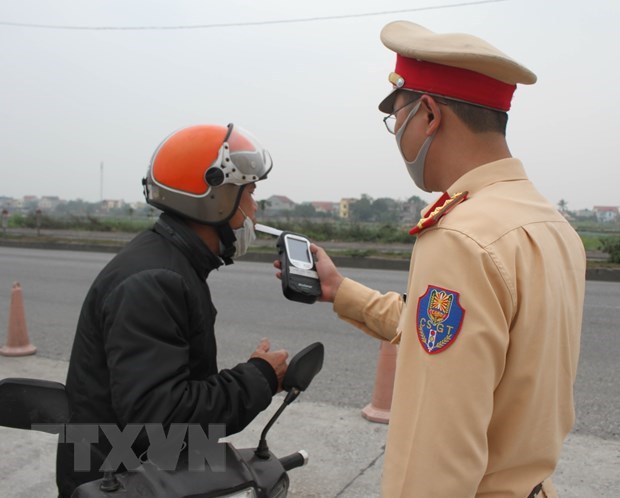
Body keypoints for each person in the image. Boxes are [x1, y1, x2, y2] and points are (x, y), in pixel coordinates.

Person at [295, 21, 586, 497]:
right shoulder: (550, 225)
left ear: (428, 115)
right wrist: (338, 290)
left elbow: (434, 457)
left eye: (398, 117)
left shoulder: (460, 237)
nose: (397, 136)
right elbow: (454, 337)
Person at [57, 123, 289, 497]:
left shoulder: (170, 264)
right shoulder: (153, 281)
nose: (254, 209)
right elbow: (161, 420)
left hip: (143, 473)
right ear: (215, 197)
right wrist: (260, 378)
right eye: (250, 193)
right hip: (119, 483)